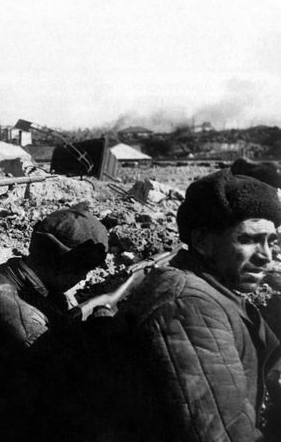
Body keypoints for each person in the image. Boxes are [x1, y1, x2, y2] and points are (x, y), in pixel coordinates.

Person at [113, 170, 281, 441]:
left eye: (271, 242)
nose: (267, 256)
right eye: (249, 239)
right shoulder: (189, 307)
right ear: (202, 241)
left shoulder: (218, 291)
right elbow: (223, 435)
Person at [0, 202, 112, 440]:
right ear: (62, 264)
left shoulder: (19, 275)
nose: (84, 277)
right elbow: (69, 373)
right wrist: (103, 323)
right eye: (82, 270)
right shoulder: (13, 304)